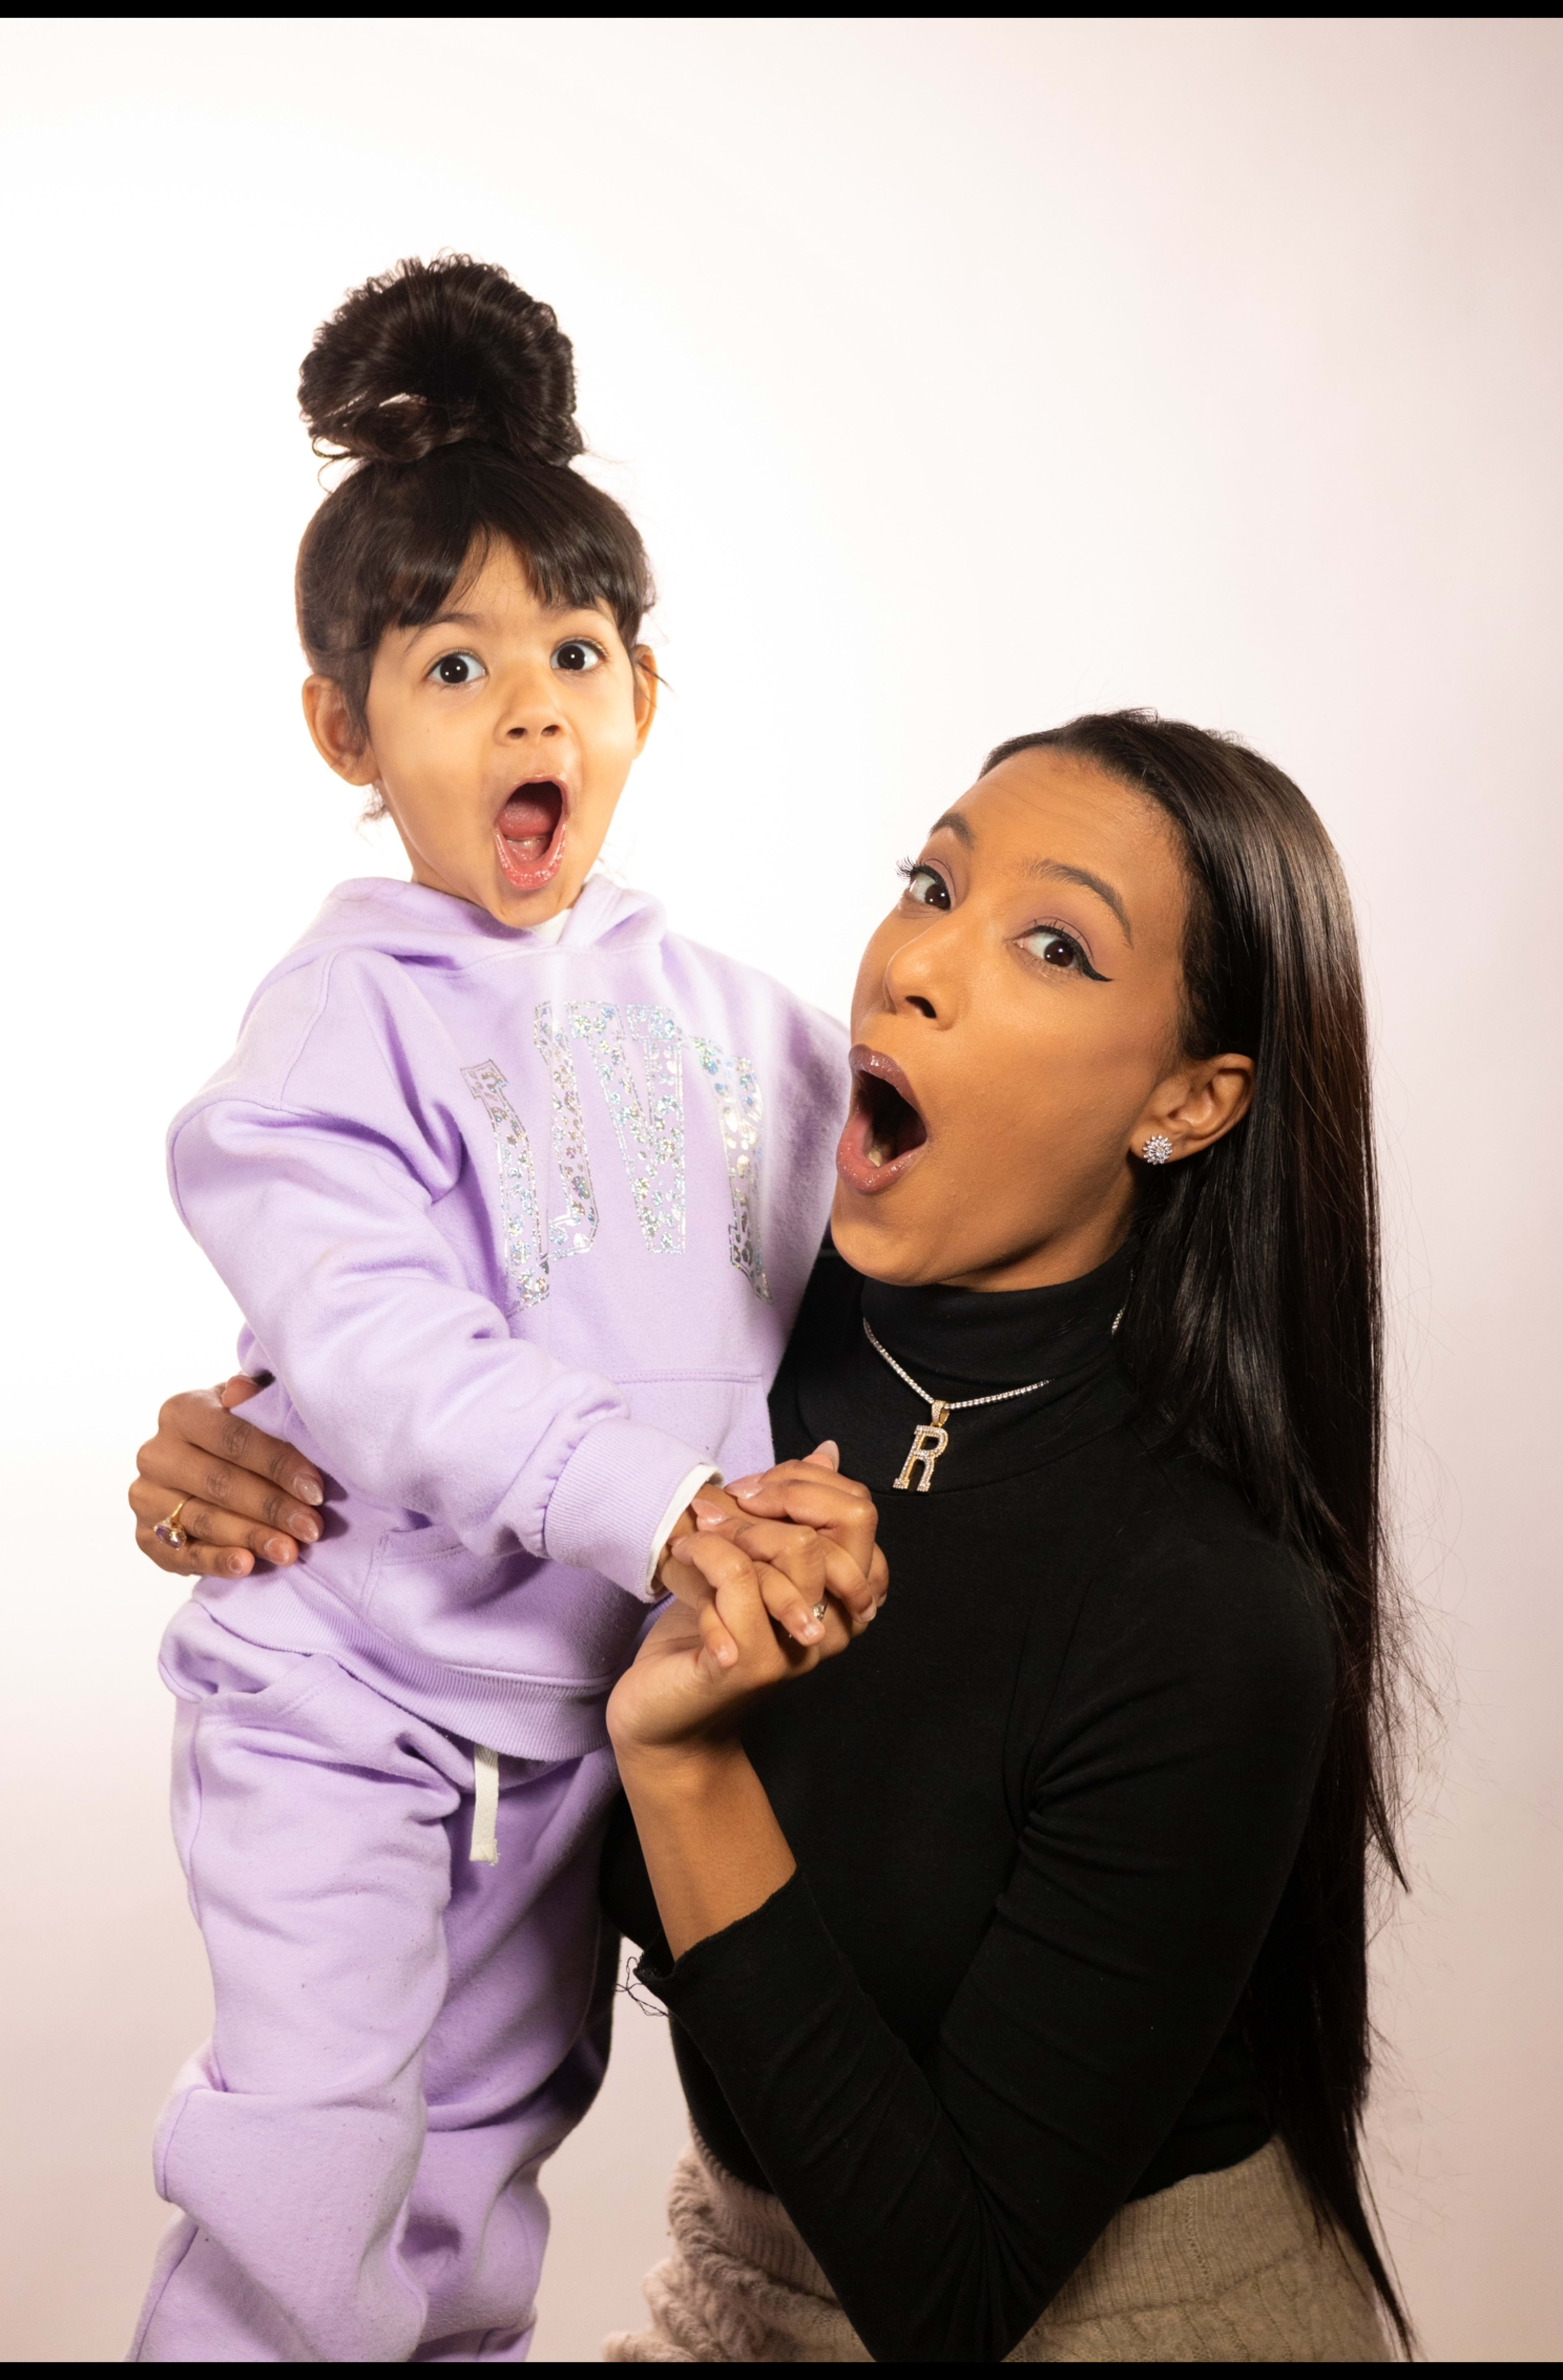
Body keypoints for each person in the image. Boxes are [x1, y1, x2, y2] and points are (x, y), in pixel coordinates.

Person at [134, 717, 1411, 2360]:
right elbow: (430, 1392)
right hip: (739, 2291)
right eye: (930, 886)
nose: (916, 967)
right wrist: (256, 1466)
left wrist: (686, 1771)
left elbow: (954, 2297)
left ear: (1188, 1100)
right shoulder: (721, 1347)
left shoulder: (1215, 1609)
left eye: (1052, 946)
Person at [127, 253, 882, 2365]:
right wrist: (661, 1503)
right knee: (319, 2140)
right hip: (342, 1684)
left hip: (572, 1706)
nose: (534, 706)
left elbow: (897, 1234)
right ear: (344, 730)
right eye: (455, 666)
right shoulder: (340, 1016)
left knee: (487, 2146)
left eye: (576, 652)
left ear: (645, 698)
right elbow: (368, 1341)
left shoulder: (741, 1025)